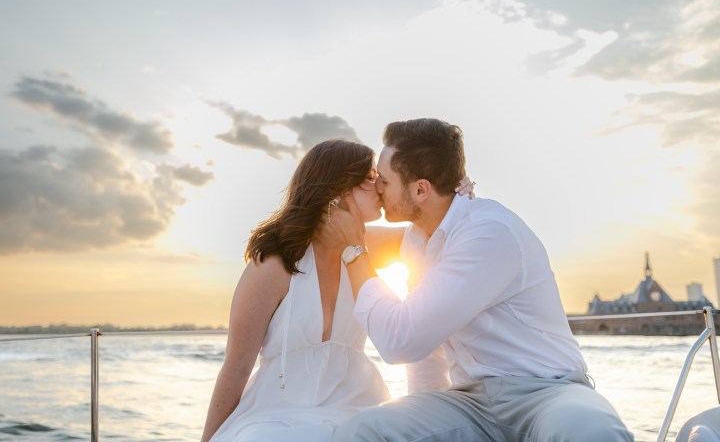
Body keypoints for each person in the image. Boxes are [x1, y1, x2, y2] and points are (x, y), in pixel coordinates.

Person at [323, 118, 635, 441]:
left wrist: (353, 251)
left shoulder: (490, 233)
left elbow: (400, 339)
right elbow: (425, 353)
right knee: (365, 430)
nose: (377, 188)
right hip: (470, 405)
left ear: (420, 190)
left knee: (590, 431)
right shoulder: (416, 241)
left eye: (384, 181)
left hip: (548, 392)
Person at [200, 139, 392, 442]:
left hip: (358, 407)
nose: (381, 185)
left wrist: (458, 191)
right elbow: (237, 368)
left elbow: (438, 232)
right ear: (340, 189)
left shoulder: (367, 246)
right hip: (277, 415)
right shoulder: (275, 265)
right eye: (369, 178)